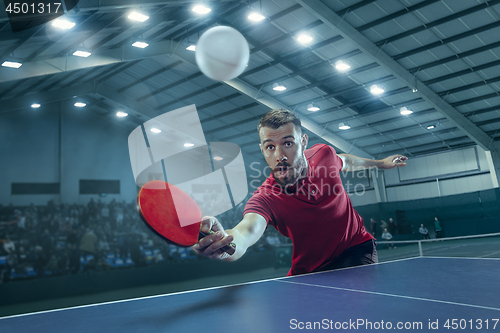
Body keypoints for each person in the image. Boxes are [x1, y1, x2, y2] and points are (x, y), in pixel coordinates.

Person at [192, 108, 407, 275]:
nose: (279, 155)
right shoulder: (266, 197)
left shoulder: (324, 154)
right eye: (270, 147)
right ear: (262, 150)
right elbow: (245, 232)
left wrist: (381, 163)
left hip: (355, 250)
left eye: (287, 143)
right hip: (309, 270)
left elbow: (347, 160)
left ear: (303, 142)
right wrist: (223, 242)